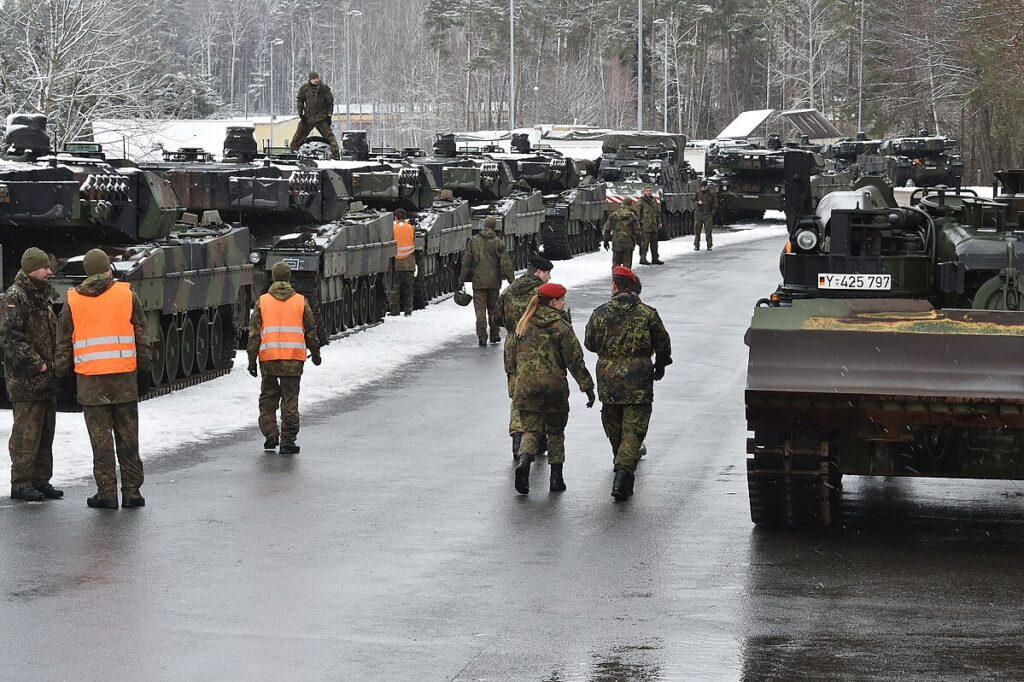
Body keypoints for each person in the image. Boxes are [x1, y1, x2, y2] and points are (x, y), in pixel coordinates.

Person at [55, 249, 150, 509]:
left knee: (101, 440)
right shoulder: (126, 295)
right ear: (109, 269)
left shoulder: (73, 301)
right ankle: (132, 492)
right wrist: (145, 371)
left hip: (90, 382)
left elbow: (63, 343)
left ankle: (106, 493)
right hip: (124, 378)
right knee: (128, 437)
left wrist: (62, 377)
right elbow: (141, 336)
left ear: (86, 272)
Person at [584, 266, 672, 501]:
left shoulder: (599, 314)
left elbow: (590, 343)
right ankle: (623, 472)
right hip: (638, 380)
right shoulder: (647, 314)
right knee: (633, 430)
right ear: (633, 288)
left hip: (608, 380)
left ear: (614, 286)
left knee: (614, 427)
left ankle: (621, 463)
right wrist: (661, 364)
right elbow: (663, 343)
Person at [506, 282, 595, 495]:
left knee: (530, 430)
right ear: (554, 301)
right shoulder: (561, 327)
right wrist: (588, 387)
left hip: (526, 388)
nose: (564, 303)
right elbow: (575, 360)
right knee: (556, 432)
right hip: (554, 388)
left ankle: (525, 461)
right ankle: (556, 478)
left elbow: (511, 356)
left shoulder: (523, 324)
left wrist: (514, 382)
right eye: (562, 299)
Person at [1, 248, 61, 502]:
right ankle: (21, 482)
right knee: (27, 433)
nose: (49, 272)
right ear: (31, 269)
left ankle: (40, 479)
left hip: (46, 380)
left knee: (45, 433)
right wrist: (38, 365)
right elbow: (10, 339)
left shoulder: (41, 295)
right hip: (27, 379)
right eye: (44, 267)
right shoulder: (16, 297)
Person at [247, 261, 321, 455]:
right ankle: (288, 441)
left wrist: (251, 359)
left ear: (272, 277)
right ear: (289, 278)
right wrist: (316, 353)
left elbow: (254, 334)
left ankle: (271, 435)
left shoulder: (262, 302)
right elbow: (311, 330)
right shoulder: (300, 301)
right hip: (293, 360)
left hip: (269, 359)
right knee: (290, 400)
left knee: (268, 399)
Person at [493, 254, 553, 457]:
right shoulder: (542, 293)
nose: (550, 278)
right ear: (538, 272)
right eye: (547, 273)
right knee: (539, 393)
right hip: (536, 348)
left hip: (512, 347)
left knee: (517, 395)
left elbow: (497, 318)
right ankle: (537, 438)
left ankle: (518, 440)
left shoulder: (509, 290)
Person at [459, 215, 514, 346]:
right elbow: (505, 262)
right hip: (494, 282)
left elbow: (466, 262)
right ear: (494, 226)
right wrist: (512, 280)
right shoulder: (498, 242)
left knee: (480, 311)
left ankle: (482, 336)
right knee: (493, 309)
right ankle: (495, 334)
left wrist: (461, 279)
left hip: (478, 282)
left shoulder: (473, 241)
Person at [290, 71, 339, 159]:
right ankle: (292, 154)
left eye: (317, 78)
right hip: (308, 118)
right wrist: (301, 114)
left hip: (321, 118)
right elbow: (300, 101)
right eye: (313, 79)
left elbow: (330, 102)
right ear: (310, 80)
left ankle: (336, 154)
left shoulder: (324, 88)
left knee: (330, 137)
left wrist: (329, 115)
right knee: (297, 137)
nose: (316, 80)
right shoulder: (304, 89)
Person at [390, 209, 416, 316]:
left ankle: (395, 310)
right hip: (409, 262)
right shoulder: (411, 228)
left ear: (395, 217)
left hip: (396, 263)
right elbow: (413, 240)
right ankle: (408, 310)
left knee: (395, 289)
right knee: (408, 289)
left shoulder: (393, 227)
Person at [603, 197, 641, 269]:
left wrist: (606, 241)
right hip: (628, 243)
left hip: (617, 243)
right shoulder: (633, 216)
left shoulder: (614, 215)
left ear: (622, 203)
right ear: (630, 204)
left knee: (616, 263)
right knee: (627, 264)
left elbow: (607, 229)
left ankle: (615, 278)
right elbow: (637, 231)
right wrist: (640, 243)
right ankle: (625, 279)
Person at [636, 187, 664, 265]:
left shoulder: (654, 200)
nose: (648, 192)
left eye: (649, 191)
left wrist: (659, 222)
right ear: (644, 192)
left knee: (654, 244)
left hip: (653, 225)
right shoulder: (641, 202)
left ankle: (655, 258)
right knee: (644, 244)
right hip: (645, 226)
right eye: (647, 191)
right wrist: (638, 226)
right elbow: (638, 215)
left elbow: (657, 213)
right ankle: (643, 258)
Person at [694, 180, 718, 251]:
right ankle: (696, 245)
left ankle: (709, 245)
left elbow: (715, 204)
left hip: (708, 215)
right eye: (702, 187)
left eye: (705, 187)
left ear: (707, 186)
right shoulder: (698, 192)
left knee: (708, 231)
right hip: (698, 214)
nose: (703, 188)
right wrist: (698, 203)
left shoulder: (711, 193)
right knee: (697, 231)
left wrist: (712, 213)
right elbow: (693, 201)